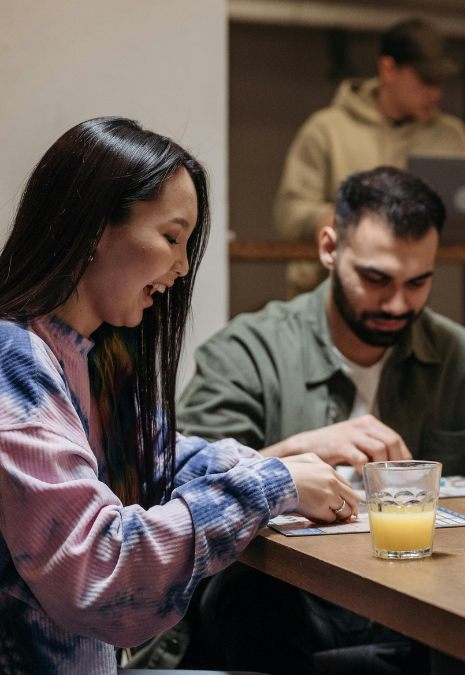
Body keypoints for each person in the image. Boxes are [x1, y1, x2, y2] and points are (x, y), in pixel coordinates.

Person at [0, 117, 354, 675]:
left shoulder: (93, 353)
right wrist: (270, 484)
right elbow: (100, 572)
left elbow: (161, 458)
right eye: (171, 238)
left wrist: (279, 471)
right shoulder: (12, 359)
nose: (183, 267)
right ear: (95, 228)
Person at [178, 166, 465, 674]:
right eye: (376, 278)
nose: (398, 303)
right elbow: (174, 489)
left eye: (419, 282)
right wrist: (294, 456)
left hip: (429, 602)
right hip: (292, 600)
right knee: (248, 593)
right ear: (328, 249)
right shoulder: (247, 351)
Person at [276, 18, 465, 298]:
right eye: (425, 80)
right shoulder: (325, 129)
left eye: (440, 82)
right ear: (388, 70)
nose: (435, 93)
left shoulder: (452, 136)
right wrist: (329, 218)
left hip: (414, 300)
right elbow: (289, 210)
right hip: (329, 296)